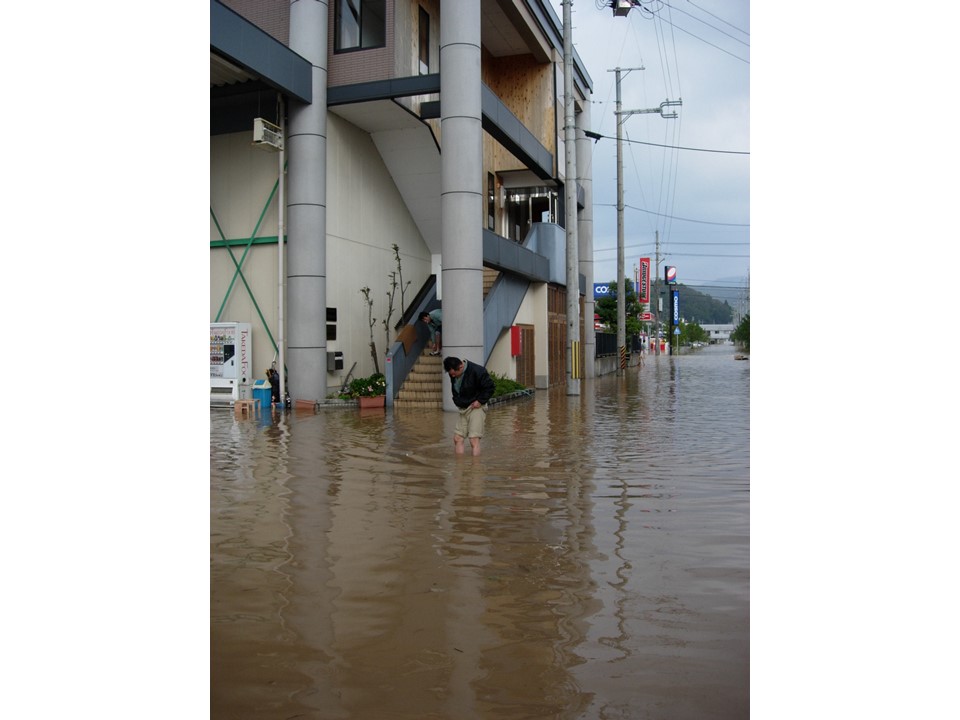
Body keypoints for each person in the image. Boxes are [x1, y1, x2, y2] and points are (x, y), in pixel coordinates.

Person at [443, 356, 495, 456]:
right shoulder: (453, 373)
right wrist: (457, 401)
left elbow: (490, 388)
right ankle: (460, 467)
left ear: (461, 367)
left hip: (476, 408)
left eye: (454, 374)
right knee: (457, 438)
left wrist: (479, 401)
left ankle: (475, 468)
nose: (453, 376)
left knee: (473, 440)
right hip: (463, 408)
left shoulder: (478, 371)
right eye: (451, 374)